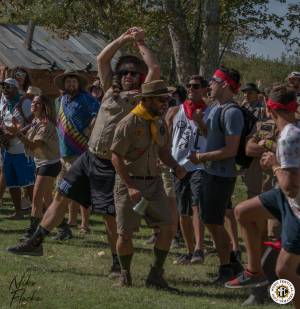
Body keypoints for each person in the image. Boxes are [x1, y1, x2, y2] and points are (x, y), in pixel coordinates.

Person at [7, 27, 159, 278]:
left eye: (134, 73)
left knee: (110, 218)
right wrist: (122, 38)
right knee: (60, 196)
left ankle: (116, 264)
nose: (129, 76)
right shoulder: (110, 88)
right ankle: (35, 243)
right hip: (88, 156)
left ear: (141, 78)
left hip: (111, 163)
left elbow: (154, 69)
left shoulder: (142, 97)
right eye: (125, 72)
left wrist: (140, 42)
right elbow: (101, 59)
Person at [225, 85, 300, 309]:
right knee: (243, 211)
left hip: (294, 205)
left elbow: (290, 187)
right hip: (282, 197)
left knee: (284, 269)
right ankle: (254, 272)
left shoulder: (289, 136)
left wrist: (274, 164)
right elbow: (249, 147)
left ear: (269, 108)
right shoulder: (291, 131)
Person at [111, 80, 186, 288]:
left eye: (167, 99)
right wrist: (130, 186)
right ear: (148, 100)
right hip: (130, 183)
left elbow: (163, 151)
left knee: (169, 226)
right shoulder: (129, 122)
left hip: (154, 183)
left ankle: (155, 275)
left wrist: (176, 166)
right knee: (125, 234)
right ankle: (125, 274)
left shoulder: (159, 122)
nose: (165, 103)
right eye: (161, 99)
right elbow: (116, 157)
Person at [189, 66, 244, 284]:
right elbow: (210, 135)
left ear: (224, 84)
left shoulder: (232, 112)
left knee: (213, 222)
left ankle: (226, 269)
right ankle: (232, 263)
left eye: (213, 81)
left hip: (221, 176)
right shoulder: (215, 108)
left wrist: (201, 157)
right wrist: (201, 122)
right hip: (210, 172)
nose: (208, 85)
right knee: (209, 220)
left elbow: (230, 149)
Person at [6, 95, 61, 240]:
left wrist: (16, 133)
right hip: (43, 163)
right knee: (48, 200)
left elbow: (33, 145)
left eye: (38, 103)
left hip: (48, 164)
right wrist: (13, 130)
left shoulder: (45, 124)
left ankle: (32, 233)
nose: (33, 104)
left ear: (44, 107)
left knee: (36, 200)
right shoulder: (36, 121)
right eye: (33, 102)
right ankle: (63, 229)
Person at [166, 75, 208, 265]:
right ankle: (190, 251)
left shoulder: (210, 111)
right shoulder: (175, 111)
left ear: (204, 89)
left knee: (196, 205)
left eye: (196, 86)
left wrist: (200, 122)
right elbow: (166, 137)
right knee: (182, 211)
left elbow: (211, 135)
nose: (191, 89)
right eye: (189, 86)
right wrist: (167, 160)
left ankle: (199, 248)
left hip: (199, 163)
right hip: (178, 164)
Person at [54, 69, 100, 238]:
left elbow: (99, 114)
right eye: (68, 82)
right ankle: (71, 221)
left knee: (80, 189)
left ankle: (85, 225)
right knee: (64, 189)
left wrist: (90, 129)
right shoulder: (60, 100)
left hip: (80, 152)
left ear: (79, 83)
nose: (71, 84)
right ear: (64, 85)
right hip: (63, 153)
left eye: (74, 81)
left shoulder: (87, 98)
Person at [0, 78, 35, 219]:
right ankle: (19, 212)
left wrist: (15, 134)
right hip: (7, 150)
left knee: (28, 183)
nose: (5, 90)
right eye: (4, 88)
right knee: (12, 182)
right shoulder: (3, 104)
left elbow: (33, 124)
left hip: (22, 150)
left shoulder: (25, 103)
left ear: (16, 89)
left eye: (9, 87)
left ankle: (37, 213)